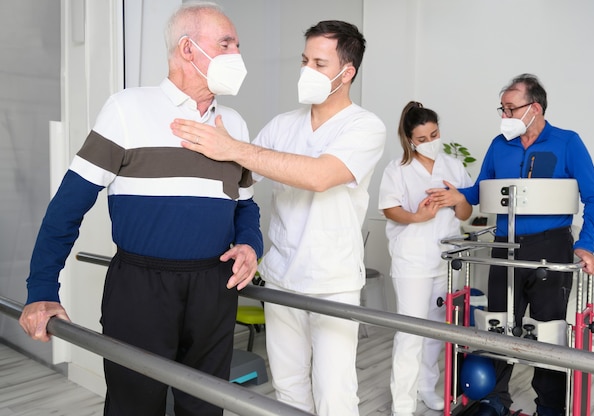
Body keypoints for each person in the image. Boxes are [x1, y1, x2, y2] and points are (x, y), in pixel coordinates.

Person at [18, 3, 263, 415]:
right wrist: (42, 290)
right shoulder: (126, 109)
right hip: (141, 288)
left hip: (213, 287)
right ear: (188, 49)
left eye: (237, 44)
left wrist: (249, 244)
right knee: (135, 405)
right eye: (226, 44)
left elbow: (246, 207)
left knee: (206, 406)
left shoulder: (234, 124)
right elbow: (67, 208)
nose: (237, 54)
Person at [171, 20, 386, 416]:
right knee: (287, 391)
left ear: (347, 72)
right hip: (283, 277)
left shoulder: (365, 126)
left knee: (334, 394)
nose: (307, 71)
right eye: (304, 60)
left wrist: (235, 148)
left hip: (332, 282)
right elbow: (239, 176)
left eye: (319, 64)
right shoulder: (282, 125)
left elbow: (319, 176)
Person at [428, 73, 594, 416]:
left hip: (550, 247)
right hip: (504, 246)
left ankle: (550, 408)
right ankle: (496, 401)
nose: (504, 116)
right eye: (502, 109)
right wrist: (457, 195)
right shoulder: (500, 145)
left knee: (549, 334)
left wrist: (585, 244)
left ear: (534, 108)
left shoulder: (567, 142)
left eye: (510, 109)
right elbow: (482, 189)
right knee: (497, 326)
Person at [379, 101, 472, 415]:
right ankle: (403, 401)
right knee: (410, 331)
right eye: (422, 139)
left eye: (434, 134)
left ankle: (426, 387)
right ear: (409, 140)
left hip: (446, 261)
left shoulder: (454, 166)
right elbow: (389, 208)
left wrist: (458, 198)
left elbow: (467, 213)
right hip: (412, 260)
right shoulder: (398, 169)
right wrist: (418, 216)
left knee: (436, 329)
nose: (430, 142)